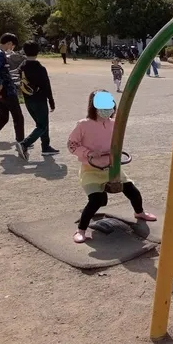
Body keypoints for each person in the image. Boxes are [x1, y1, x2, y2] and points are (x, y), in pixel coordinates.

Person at [67, 90, 157, 244]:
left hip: (112, 167)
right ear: (93, 106)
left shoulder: (114, 124)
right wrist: (88, 153)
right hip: (91, 169)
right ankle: (81, 229)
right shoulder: (83, 124)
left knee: (132, 191)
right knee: (97, 200)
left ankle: (139, 212)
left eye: (109, 105)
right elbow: (71, 145)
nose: (107, 109)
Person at [17, 41, 59, 157]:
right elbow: (46, 86)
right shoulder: (40, 68)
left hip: (27, 99)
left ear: (24, 52)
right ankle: (25, 143)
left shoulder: (22, 67)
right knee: (43, 125)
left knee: (40, 124)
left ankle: (45, 147)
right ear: (38, 52)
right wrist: (51, 101)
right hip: (40, 100)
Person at [0, 33, 26, 157]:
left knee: (3, 118)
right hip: (7, 91)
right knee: (18, 117)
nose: (12, 49)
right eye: (12, 46)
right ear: (9, 43)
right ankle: (21, 143)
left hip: (0, 93)